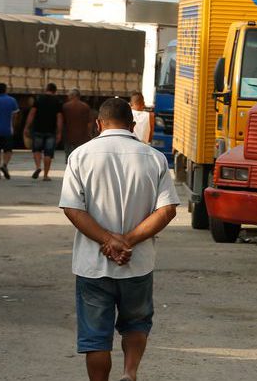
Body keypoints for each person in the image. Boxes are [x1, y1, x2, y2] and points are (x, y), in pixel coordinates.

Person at [60, 98, 179, 381]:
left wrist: (108, 240)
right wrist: (128, 241)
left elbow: (72, 208)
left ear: (98, 124)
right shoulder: (154, 157)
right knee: (136, 323)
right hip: (137, 264)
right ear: (133, 124)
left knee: (95, 338)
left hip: (93, 265)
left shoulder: (80, 156)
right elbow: (167, 210)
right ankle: (129, 372)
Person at [24, 83, 63, 181]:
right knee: (48, 153)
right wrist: (59, 132)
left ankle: (38, 167)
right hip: (51, 131)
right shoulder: (57, 101)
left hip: (38, 129)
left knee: (37, 150)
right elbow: (59, 118)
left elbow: (32, 114)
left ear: (46, 89)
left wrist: (27, 127)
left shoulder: (38, 99)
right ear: (55, 91)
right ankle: (45, 175)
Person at [62, 88, 94, 158]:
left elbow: (62, 121)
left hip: (69, 136)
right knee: (81, 157)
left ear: (73, 95)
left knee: (69, 157)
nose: (68, 97)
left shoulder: (66, 106)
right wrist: (89, 134)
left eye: (69, 95)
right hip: (83, 137)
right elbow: (90, 122)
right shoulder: (85, 106)